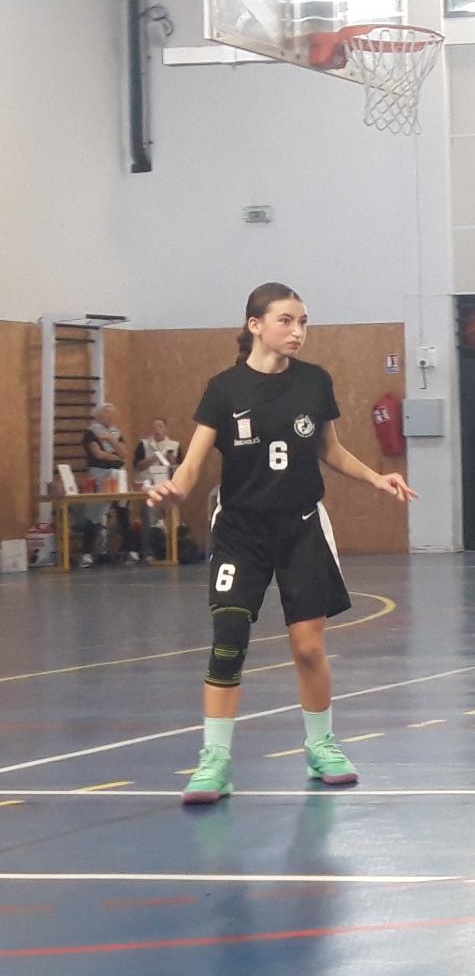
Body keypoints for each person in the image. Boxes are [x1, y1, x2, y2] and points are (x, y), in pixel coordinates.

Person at [150, 282, 417, 805]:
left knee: (308, 647)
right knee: (229, 640)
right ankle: (214, 760)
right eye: (286, 320)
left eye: (303, 322)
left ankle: (322, 746)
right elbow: (193, 463)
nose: (298, 331)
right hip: (241, 532)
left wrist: (376, 477)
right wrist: (175, 490)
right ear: (256, 325)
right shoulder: (223, 389)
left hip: (300, 526)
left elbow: (330, 450)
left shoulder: (314, 381)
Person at [80, 403, 137, 566]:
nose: (109, 416)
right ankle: (86, 552)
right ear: (98, 415)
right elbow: (98, 454)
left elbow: (124, 453)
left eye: (112, 414)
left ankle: (130, 550)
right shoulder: (91, 432)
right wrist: (115, 456)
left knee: (123, 511)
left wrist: (111, 439)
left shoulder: (116, 432)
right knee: (94, 514)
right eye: (106, 413)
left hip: (118, 475)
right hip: (99, 474)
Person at [136, 416, 183, 553]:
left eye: (160, 427)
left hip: (169, 487)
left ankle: (171, 552)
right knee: (149, 520)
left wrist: (172, 461)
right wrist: (154, 457)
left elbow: (181, 467)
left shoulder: (174, 445)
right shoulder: (143, 445)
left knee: (171, 520)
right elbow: (137, 465)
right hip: (149, 487)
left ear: (165, 429)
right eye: (154, 427)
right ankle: (148, 552)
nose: (157, 430)